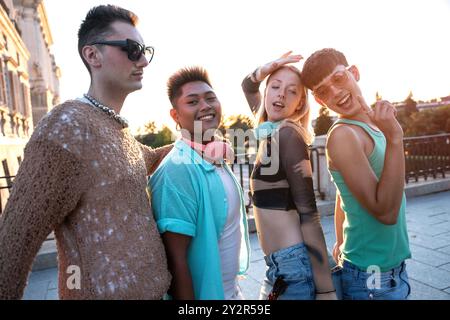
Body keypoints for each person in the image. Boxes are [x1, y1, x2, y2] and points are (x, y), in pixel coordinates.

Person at [0, 5, 172, 299]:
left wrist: (195, 144)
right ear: (92, 55)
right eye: (131, 49)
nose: (143, 60)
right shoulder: (66, 129)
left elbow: (146, 157)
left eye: (145, 50)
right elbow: (13, 248)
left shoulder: (115, 128)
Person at [301, 48, 411, 300]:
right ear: (319, 101)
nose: (335, 93)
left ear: (354, 73)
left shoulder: (372, 125)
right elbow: (386, 212)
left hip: (391, 272)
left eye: (338, 79)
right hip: (372, 279)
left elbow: (343, 194)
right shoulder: (343, 135)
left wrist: (340, 241)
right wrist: (395, 137)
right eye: (323, 91)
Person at [149, 66, 250, 300]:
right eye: (192, 102)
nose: (205, 106)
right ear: (175, 115)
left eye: (210, 98)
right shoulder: (177, 170)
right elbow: (175, 261)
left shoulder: (213, 156)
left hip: (232, 293)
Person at [241, 52, 336, 300]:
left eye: (292, 91)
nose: (281, 94)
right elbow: (247, 85)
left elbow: (309, 213)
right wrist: (268, 67)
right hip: (278, 268)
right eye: (275, 86)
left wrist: (326, 289)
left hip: (293, 267)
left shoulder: (288, 135)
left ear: (300, 105)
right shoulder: (267, 131)